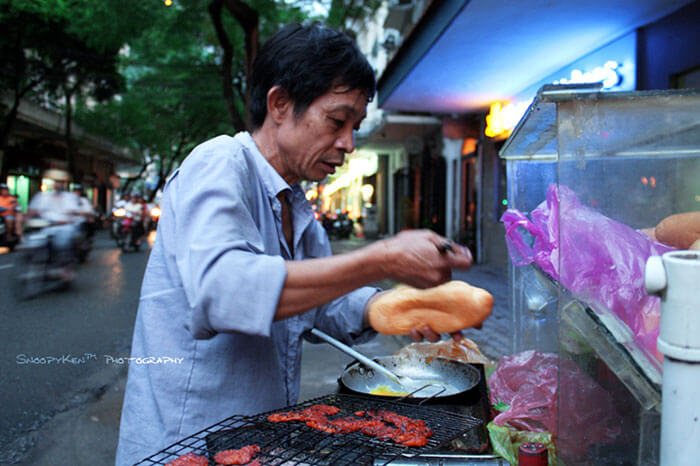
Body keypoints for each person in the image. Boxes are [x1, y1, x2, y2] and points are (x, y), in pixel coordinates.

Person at [116, 23, 474, 465]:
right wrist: (382, 258)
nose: (348, 144)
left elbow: (316, 304)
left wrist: (391, 306)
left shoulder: (300, 212)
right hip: (186, 445)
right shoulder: (219, 163)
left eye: (356, 127)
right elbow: (226, 290)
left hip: (259, 444)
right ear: (280, 104)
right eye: (337, 121)